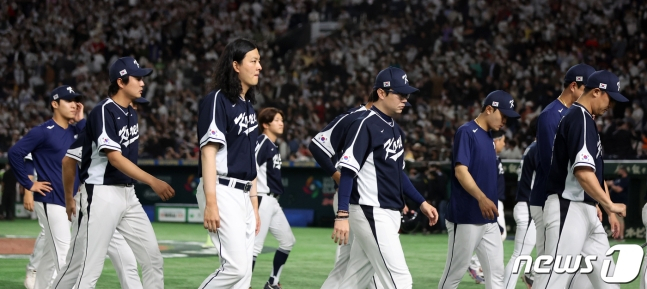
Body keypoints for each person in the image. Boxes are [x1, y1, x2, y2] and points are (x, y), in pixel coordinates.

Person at [52, 57, 175, 289]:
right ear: (121, 81)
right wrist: (152, 181)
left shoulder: (131, 113)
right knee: (88, 269)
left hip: (128, 195)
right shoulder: (104, 111)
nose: (142, 82)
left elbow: (72, 159)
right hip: (101, 194)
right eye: (138, 78)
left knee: (153, 259)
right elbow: (114, 158)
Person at [333, 67, 439, 289]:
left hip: (388, 211)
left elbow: (398, 173)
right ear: (381, 93)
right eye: (400, 94)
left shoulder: (395, 129)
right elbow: (348, 172)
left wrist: (421, 202)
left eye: (406, 95)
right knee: (400, 280)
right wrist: (342, 214)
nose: (404, 99)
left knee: (356, 278)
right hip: (371, 210)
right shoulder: (365, 123)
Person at [536, 70, 628, 289]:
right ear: (596, 92)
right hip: (568, 207)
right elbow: (583, 173)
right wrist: (610, 204)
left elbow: (593, 174)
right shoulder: (579, 118)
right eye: (610, 98)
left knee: (607, 280)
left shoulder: (585, 120)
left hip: (584, 208)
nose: (611, 106)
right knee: (554, 280)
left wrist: (605, 208)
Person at [196, 38, 262, 289]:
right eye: (253, 61)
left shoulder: (248, 107)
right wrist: (211, 202)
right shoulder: (217, 100)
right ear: (236, 65)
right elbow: (208, 153)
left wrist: (254, 205)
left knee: (243, 276)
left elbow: (250, 159)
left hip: (243, 194)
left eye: (259, 61)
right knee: (235, 267)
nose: (259, 67)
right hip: (221, 189)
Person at [438, 90, 521, 289]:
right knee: (454, 274)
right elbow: (461, 171)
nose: (505, 122)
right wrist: (482, 198)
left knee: (496, 274)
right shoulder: (466, 131)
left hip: (488, 219)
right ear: (489, 109)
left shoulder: (488, 138)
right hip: (466, 216)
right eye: (503, 116)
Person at [8, 85, 85, 289]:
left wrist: (81, 120)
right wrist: (28, 184)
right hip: (51, 200)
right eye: (68, 100)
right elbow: (15, 153)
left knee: (51, 257)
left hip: (68, 200)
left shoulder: (77, 130)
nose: (74, 104)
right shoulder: (42, 131)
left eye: (75, 100)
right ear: (54, 104)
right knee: (65, 256)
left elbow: (94, 147)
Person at [309, 76, 383, 289]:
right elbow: (316, 145)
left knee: (354, 264)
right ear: (380, 95)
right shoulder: (354, 117)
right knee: (363, 261)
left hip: (369, 198)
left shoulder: (383, 123)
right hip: (352, 198)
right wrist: (335, 174)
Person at [528, 63, 598, 287]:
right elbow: (552, 165)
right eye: (586, 89)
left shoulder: (578, 115)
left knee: (574, 269)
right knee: (550, 268)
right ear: (574, 86)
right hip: (551, 199)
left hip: (571, 200)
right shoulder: (551, 115)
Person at [251, 107, 296, 289]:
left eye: (282, 119)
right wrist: (252, 201)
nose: (281, 123)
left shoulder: (272, 145)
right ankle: (243, 284)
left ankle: (272, 282)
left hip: (272, 201)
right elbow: (250, 170)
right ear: (265, 124)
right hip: (261, 198)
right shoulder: (262, 142)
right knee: (254, 247)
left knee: (288, 241)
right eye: (276, 120)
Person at [503, 136, 538, 289]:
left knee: (554, 250)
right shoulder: (538, 148)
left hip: (532, 206)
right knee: (520, 257)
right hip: (529, 207)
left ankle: (532, 275)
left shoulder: (533, 147)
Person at [22, 154, 45, 289]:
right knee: (47, 231)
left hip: (68, 186)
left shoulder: (75, 133)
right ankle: (33, 270)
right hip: (43, 185)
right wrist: (28, 191)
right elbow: (29, 165)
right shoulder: (41, 132)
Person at [606, 166, 629, 241]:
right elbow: (606, 183)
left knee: (620, 220)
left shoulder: (625, 179)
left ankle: (621, 236)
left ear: (623, 170)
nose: (618, 171)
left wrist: (612, 185)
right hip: (613, 203)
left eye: (619, 170)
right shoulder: (618, 179)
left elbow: (619, 189)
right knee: (615, 219)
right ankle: (617, 236)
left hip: (621, 203)